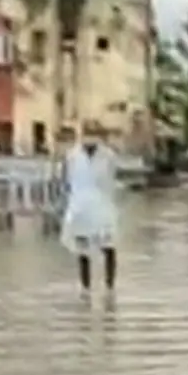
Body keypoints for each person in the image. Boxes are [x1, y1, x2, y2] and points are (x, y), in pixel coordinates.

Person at [60, 122, 120, 295]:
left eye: (94, 134)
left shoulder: (108, 156)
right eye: (88, 133)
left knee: (109, 246)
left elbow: (111, 178)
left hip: (103, 205)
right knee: (82, 249)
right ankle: (85, 287)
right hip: (80, 206)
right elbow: (67, 181)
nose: (90, 138)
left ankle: (110, 286)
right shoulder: (72, 156)